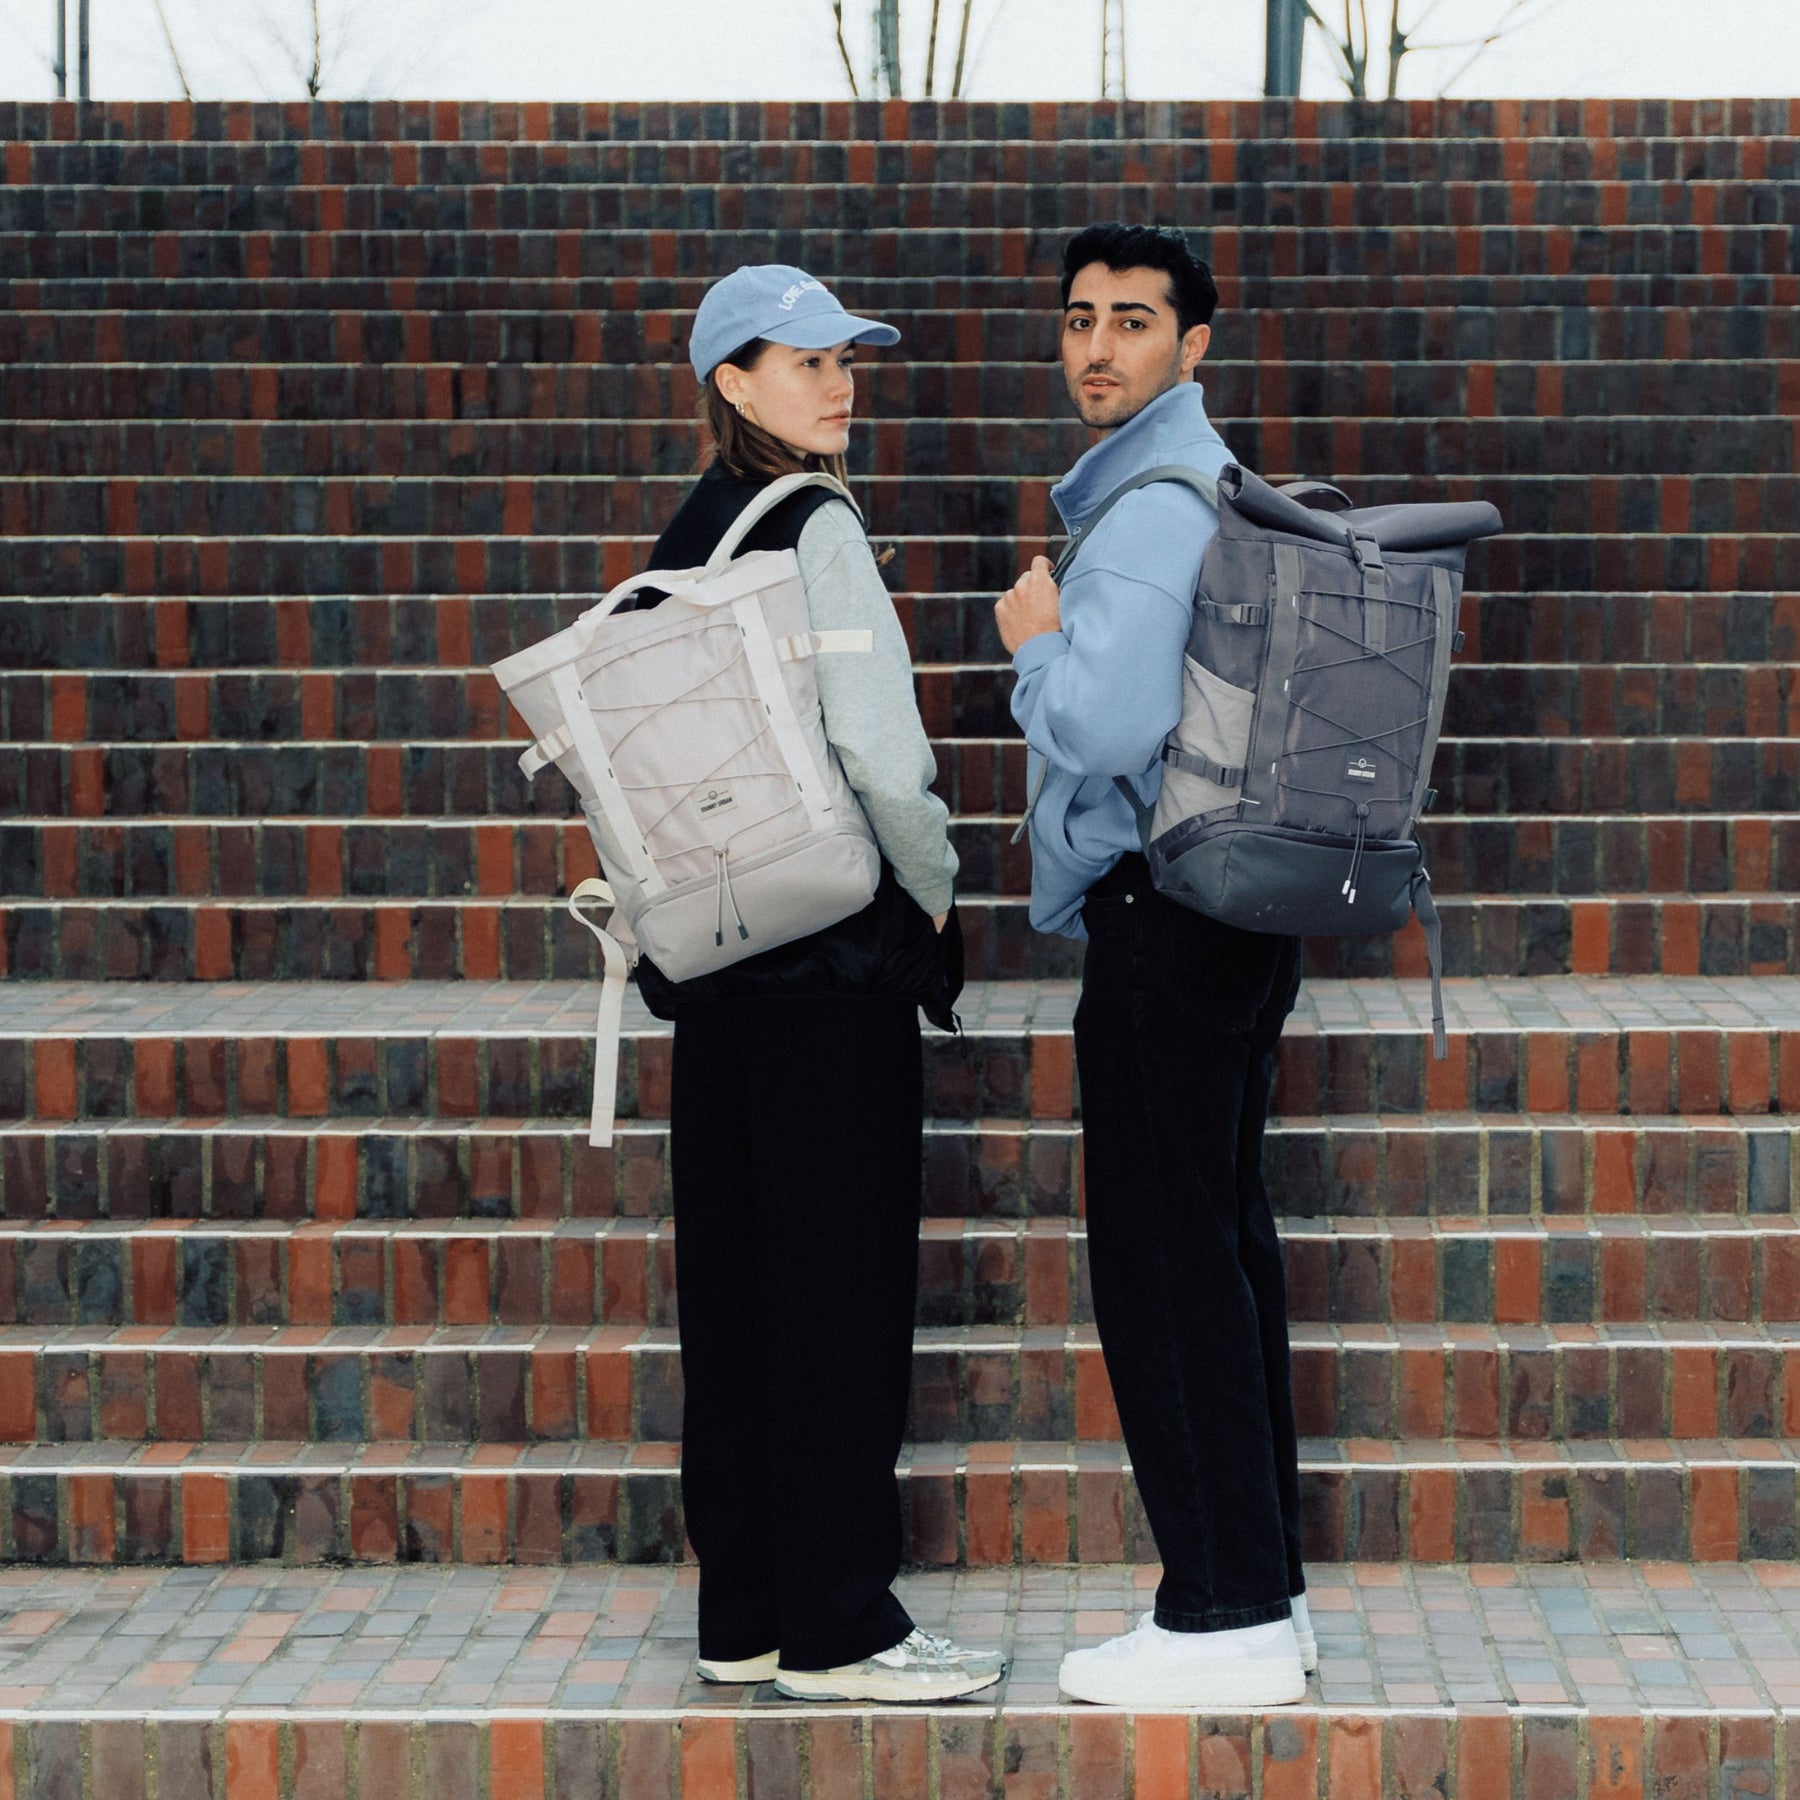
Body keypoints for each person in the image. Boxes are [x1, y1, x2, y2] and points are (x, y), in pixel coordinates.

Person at [638, 264, 1004, 1704]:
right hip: (828, 961)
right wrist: (934, 899)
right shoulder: (817, 525)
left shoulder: (688, 529)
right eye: (806, 362)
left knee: (738, 1298)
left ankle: (747, 1616)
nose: (840, 384)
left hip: (719, 959)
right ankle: (843, 1625)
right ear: (734, 382)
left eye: (848, 359)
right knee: (839, 1298)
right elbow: (883, 754)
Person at [995, 224, 1311, 1709]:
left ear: (1195, 346)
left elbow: (1106, 729)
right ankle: (1261, 1595)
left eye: (1133, 320)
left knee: (1167, 1270)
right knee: (1224, 1254)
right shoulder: (1211, 482)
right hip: (1235, 916)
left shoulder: (1143, 512)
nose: (1098, 346)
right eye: (1078, 319)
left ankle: (1221, 1616)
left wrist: (1035, 647)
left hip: (1163, 918)